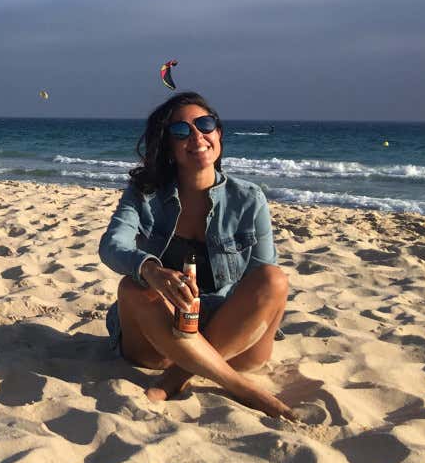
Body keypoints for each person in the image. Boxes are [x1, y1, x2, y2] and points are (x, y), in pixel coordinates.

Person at [99, 92, 295, 419]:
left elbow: (261, 283)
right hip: (160, 341)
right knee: (132, 287)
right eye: (181, 131)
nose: (196, 136)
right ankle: (240, 387)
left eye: (205, 125)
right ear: (169, 148)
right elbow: (111, 245)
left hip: (233, 340)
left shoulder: (249, 198)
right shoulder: (144, 195)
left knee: (274, 279)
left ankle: (178, 377)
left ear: (218, 133)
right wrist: (151, 270)